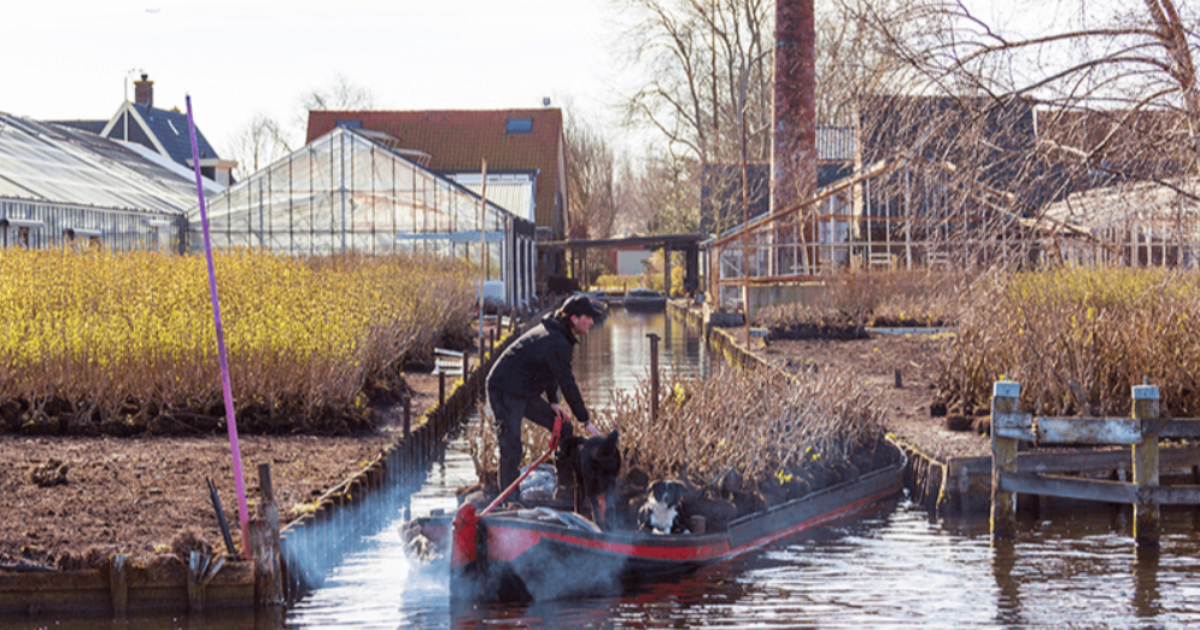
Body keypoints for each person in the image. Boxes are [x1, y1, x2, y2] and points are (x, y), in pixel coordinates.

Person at [486, 294, 604, 494]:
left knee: (564, 428)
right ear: (574, 319)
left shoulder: (560, 336)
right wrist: (585, 421)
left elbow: (551, 372)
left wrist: (553, 402)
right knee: (512, 449)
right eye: (588, 317)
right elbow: (568, 384)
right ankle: (510, 502)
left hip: (524, 390)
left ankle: (564, 490)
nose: (592, 321)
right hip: (504, 388)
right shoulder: (555, 339)